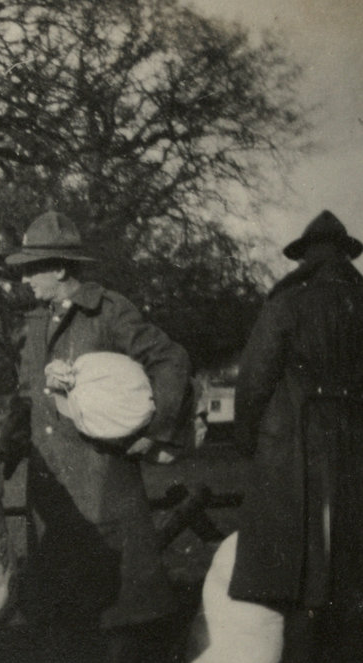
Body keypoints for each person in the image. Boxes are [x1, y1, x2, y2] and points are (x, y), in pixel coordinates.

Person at [1, 209, 191, 663]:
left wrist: (151, 432)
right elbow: (25, 399)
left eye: (32, 268)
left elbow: (171, 360)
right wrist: (3, 450)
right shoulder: (33, 326)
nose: (24, 278)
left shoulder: (108, 311)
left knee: (117, 625)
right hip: (52, 499)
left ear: (61, 268)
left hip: (102, 490)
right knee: (63, 625)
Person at [218, 210, 363, 661]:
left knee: (298, 569)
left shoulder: (285, 304)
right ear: (345, 256)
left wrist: (250, 443)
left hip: (296, 446)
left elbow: (255, 381)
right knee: (349, 562)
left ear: (304, 257)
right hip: (356, 440)